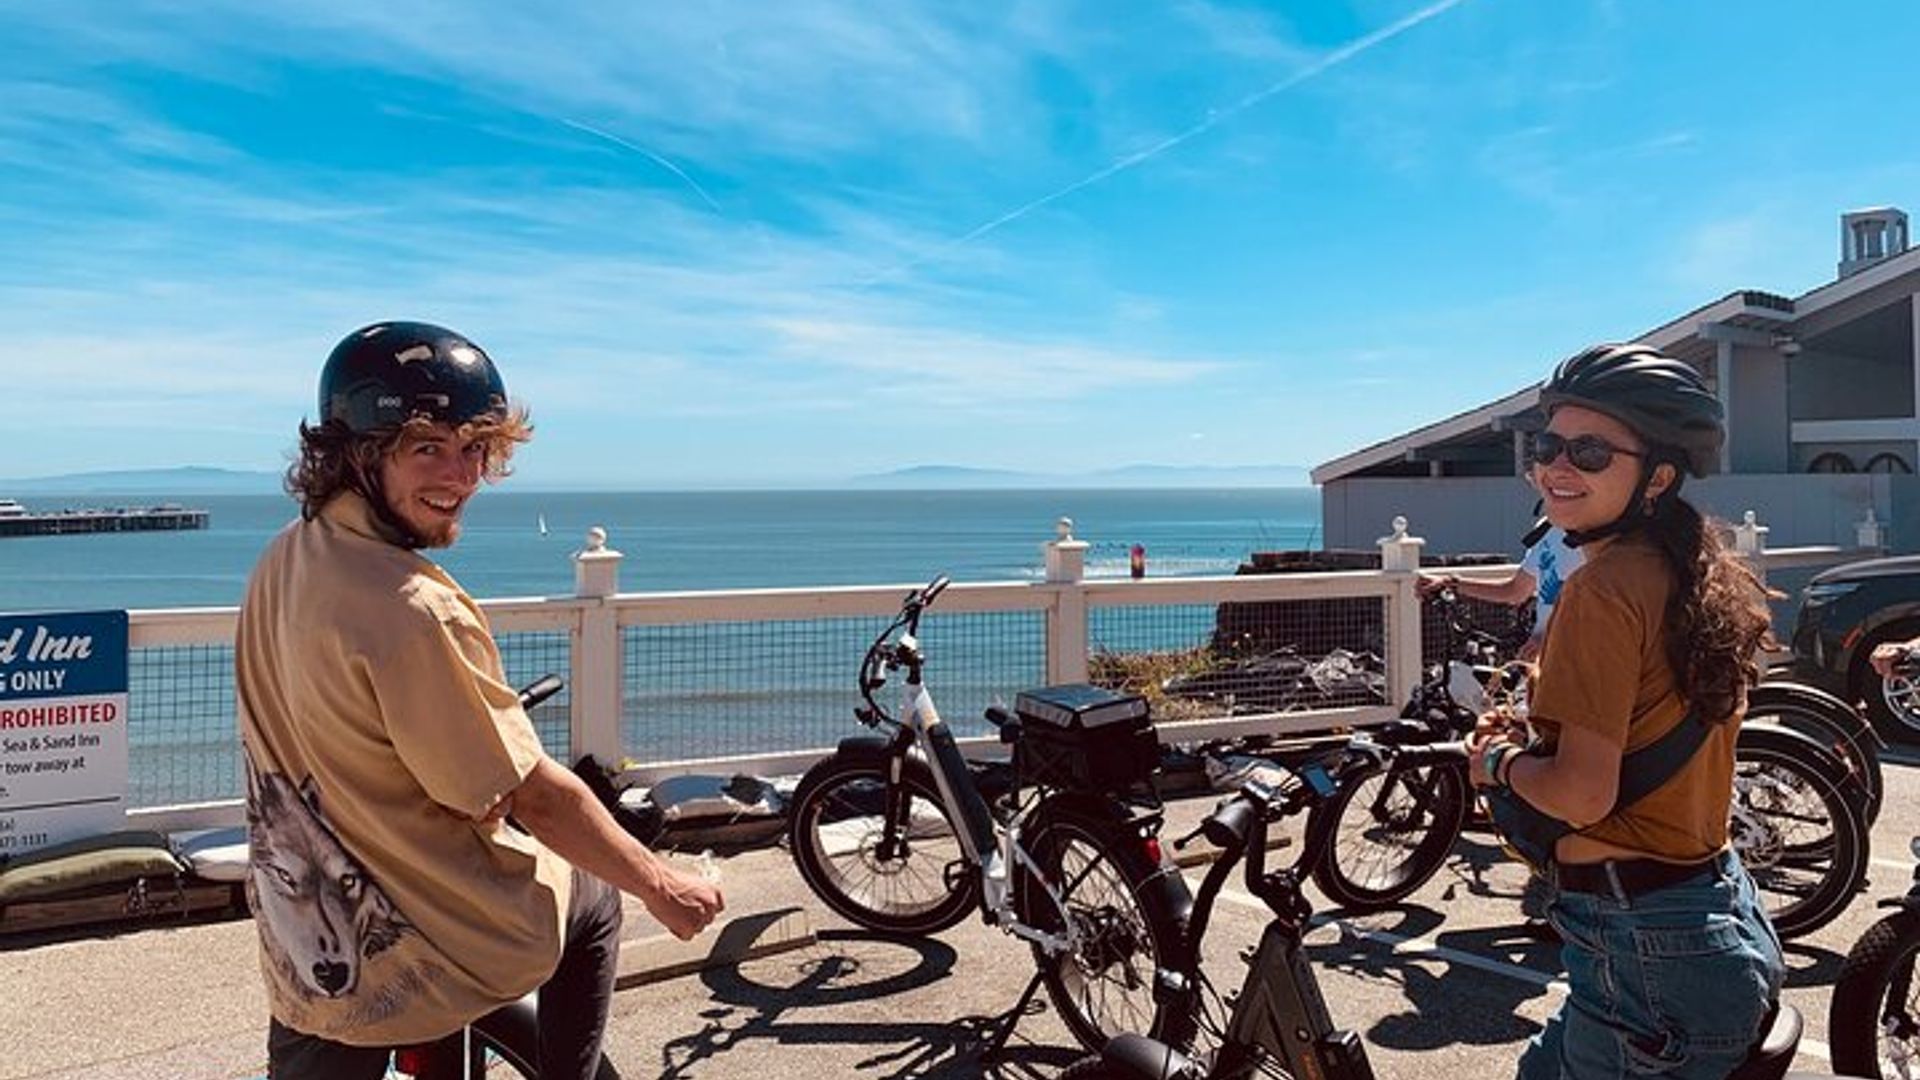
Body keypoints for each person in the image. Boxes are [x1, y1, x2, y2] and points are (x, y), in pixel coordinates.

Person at [237, 321, 724, 1079]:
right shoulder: (413, 606)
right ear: (360, 453)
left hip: (302, 938)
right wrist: (665, 885)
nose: (460, 476)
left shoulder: (284, 556)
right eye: (427, 446)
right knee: (595, 898)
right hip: (418, 930)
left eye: (475, 449)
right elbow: (531, 794)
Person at [1468, 343, 1783, 1080]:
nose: (1556, 466)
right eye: (1547, 445)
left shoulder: (1602, 590)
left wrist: (1496, 761)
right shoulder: (1696, 571)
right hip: (1715, 915)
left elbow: (1582, 795)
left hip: (1645, 952)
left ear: (1658, 475)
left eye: (1589, 450)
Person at [1419, 519, 1583, 659]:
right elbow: (1515, 591)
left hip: (1585, 656)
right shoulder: (1546, 528)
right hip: (1548, 658)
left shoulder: (1598, 532)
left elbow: (1600, 603)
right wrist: (1451, 584)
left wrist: (1550, 638)